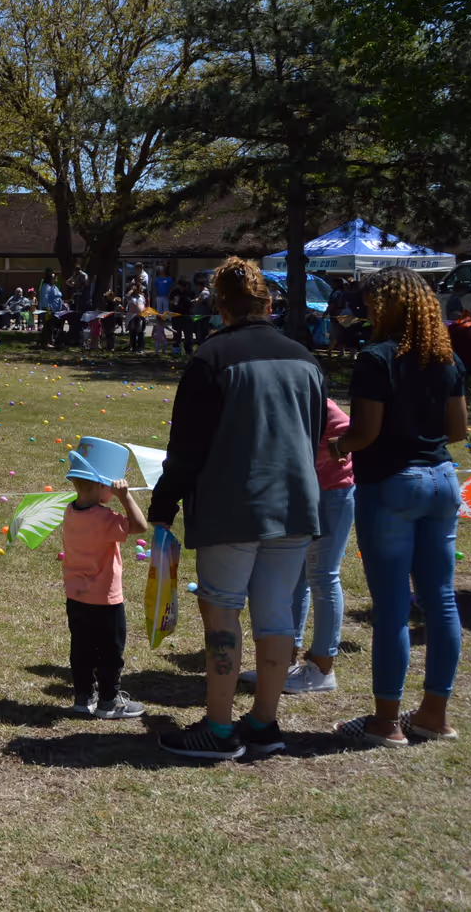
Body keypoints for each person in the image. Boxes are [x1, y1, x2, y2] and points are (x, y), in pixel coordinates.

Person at [149, 257, 326, 761]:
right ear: (268, 303)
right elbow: (311, 437)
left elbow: (185, 448)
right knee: (276, 616)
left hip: (233, 506)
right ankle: (265, 723)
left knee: (222, 611)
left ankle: (220, 729)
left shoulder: (212, 358)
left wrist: (164, 506)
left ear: (219, 305)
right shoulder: (307, 359)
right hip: (294, 504)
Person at [328, 266, 466, 746]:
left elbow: (365, 433)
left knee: (390, 607)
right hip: (443, 480)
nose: (364, 308)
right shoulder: (445, 357)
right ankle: (433, 713)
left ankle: (385, 721)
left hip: (391, 484)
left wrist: (338, 447)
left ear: (387, 305)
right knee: (441, 600)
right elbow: (457, 431)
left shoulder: (376, 358)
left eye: (370, 302)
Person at [240, 399, 353, 696]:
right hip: (304, 495)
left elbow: (355, 432)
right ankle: (287, 660)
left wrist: (336, 450)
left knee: (323, 576)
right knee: (299, 576)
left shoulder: (319, 402)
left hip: (331, 494)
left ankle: (322, 668)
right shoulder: (284, 398)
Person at [61, 470, 149, 719]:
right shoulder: (105, 518)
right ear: (100, 487)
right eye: (110, 484)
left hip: (76, 595)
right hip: (105, 599)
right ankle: (109, 702)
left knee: (82, 647)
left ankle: (83, 697)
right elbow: (140, 526)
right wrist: (125, 497)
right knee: (111, 651)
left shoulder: (70, 511)